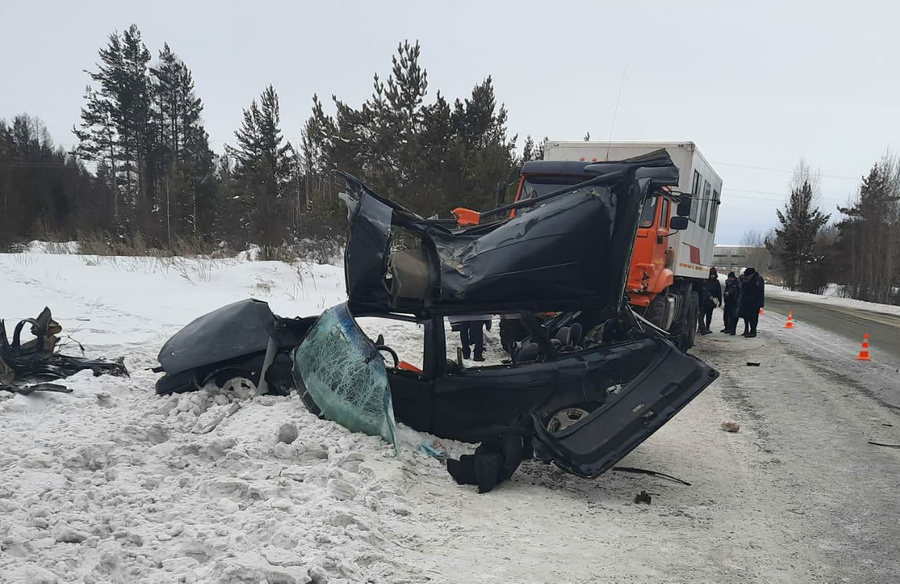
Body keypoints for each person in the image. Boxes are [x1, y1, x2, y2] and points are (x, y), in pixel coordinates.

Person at [738, 267, 765, 337]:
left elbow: (758, 292)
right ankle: (747, 330)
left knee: (754, 317)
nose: (747, 277)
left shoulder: (758, 280)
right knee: (747, 316)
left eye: (747, 276)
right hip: (748, 302)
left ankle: (753, 331)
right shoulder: (748, 280)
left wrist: (758, 302)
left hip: (755, 302)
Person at [700, 267, 722, 334]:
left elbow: (719, 291)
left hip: (712, 302)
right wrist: (709, 296)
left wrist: (719, 300)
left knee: (709, 315)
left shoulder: (717, 282)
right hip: (704, 300)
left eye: (713, 274)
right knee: (701, 315)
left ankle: (707, 327)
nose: (712, 276)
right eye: (711, 274)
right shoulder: (705, 281)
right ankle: (701, 327)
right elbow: (704, 289)